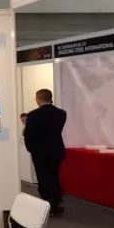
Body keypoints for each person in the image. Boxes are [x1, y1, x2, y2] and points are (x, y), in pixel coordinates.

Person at [24, 88, 67, 217]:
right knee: (54, 176)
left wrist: (30, 149)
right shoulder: (61, 113)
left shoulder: (33, 114)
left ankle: (48, 204)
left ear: (38, 99)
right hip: (57, 150)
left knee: (43, 178)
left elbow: (28, 135)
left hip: (40, 152)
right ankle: (56, 203)